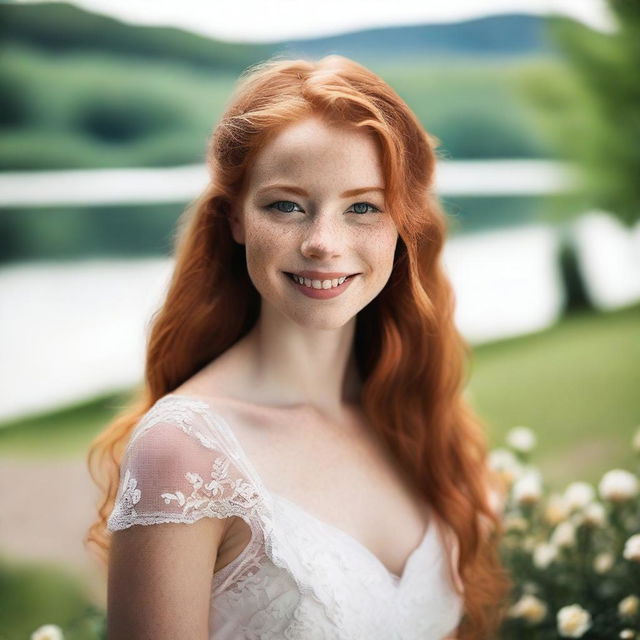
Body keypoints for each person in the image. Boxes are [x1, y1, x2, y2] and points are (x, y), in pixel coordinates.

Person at [85, 54, 513, 639]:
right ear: (235, 217)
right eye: (285, 205)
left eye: (363, 207)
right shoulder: (186, 452)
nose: (323, 244)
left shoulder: (413, 412)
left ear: (403, 223)